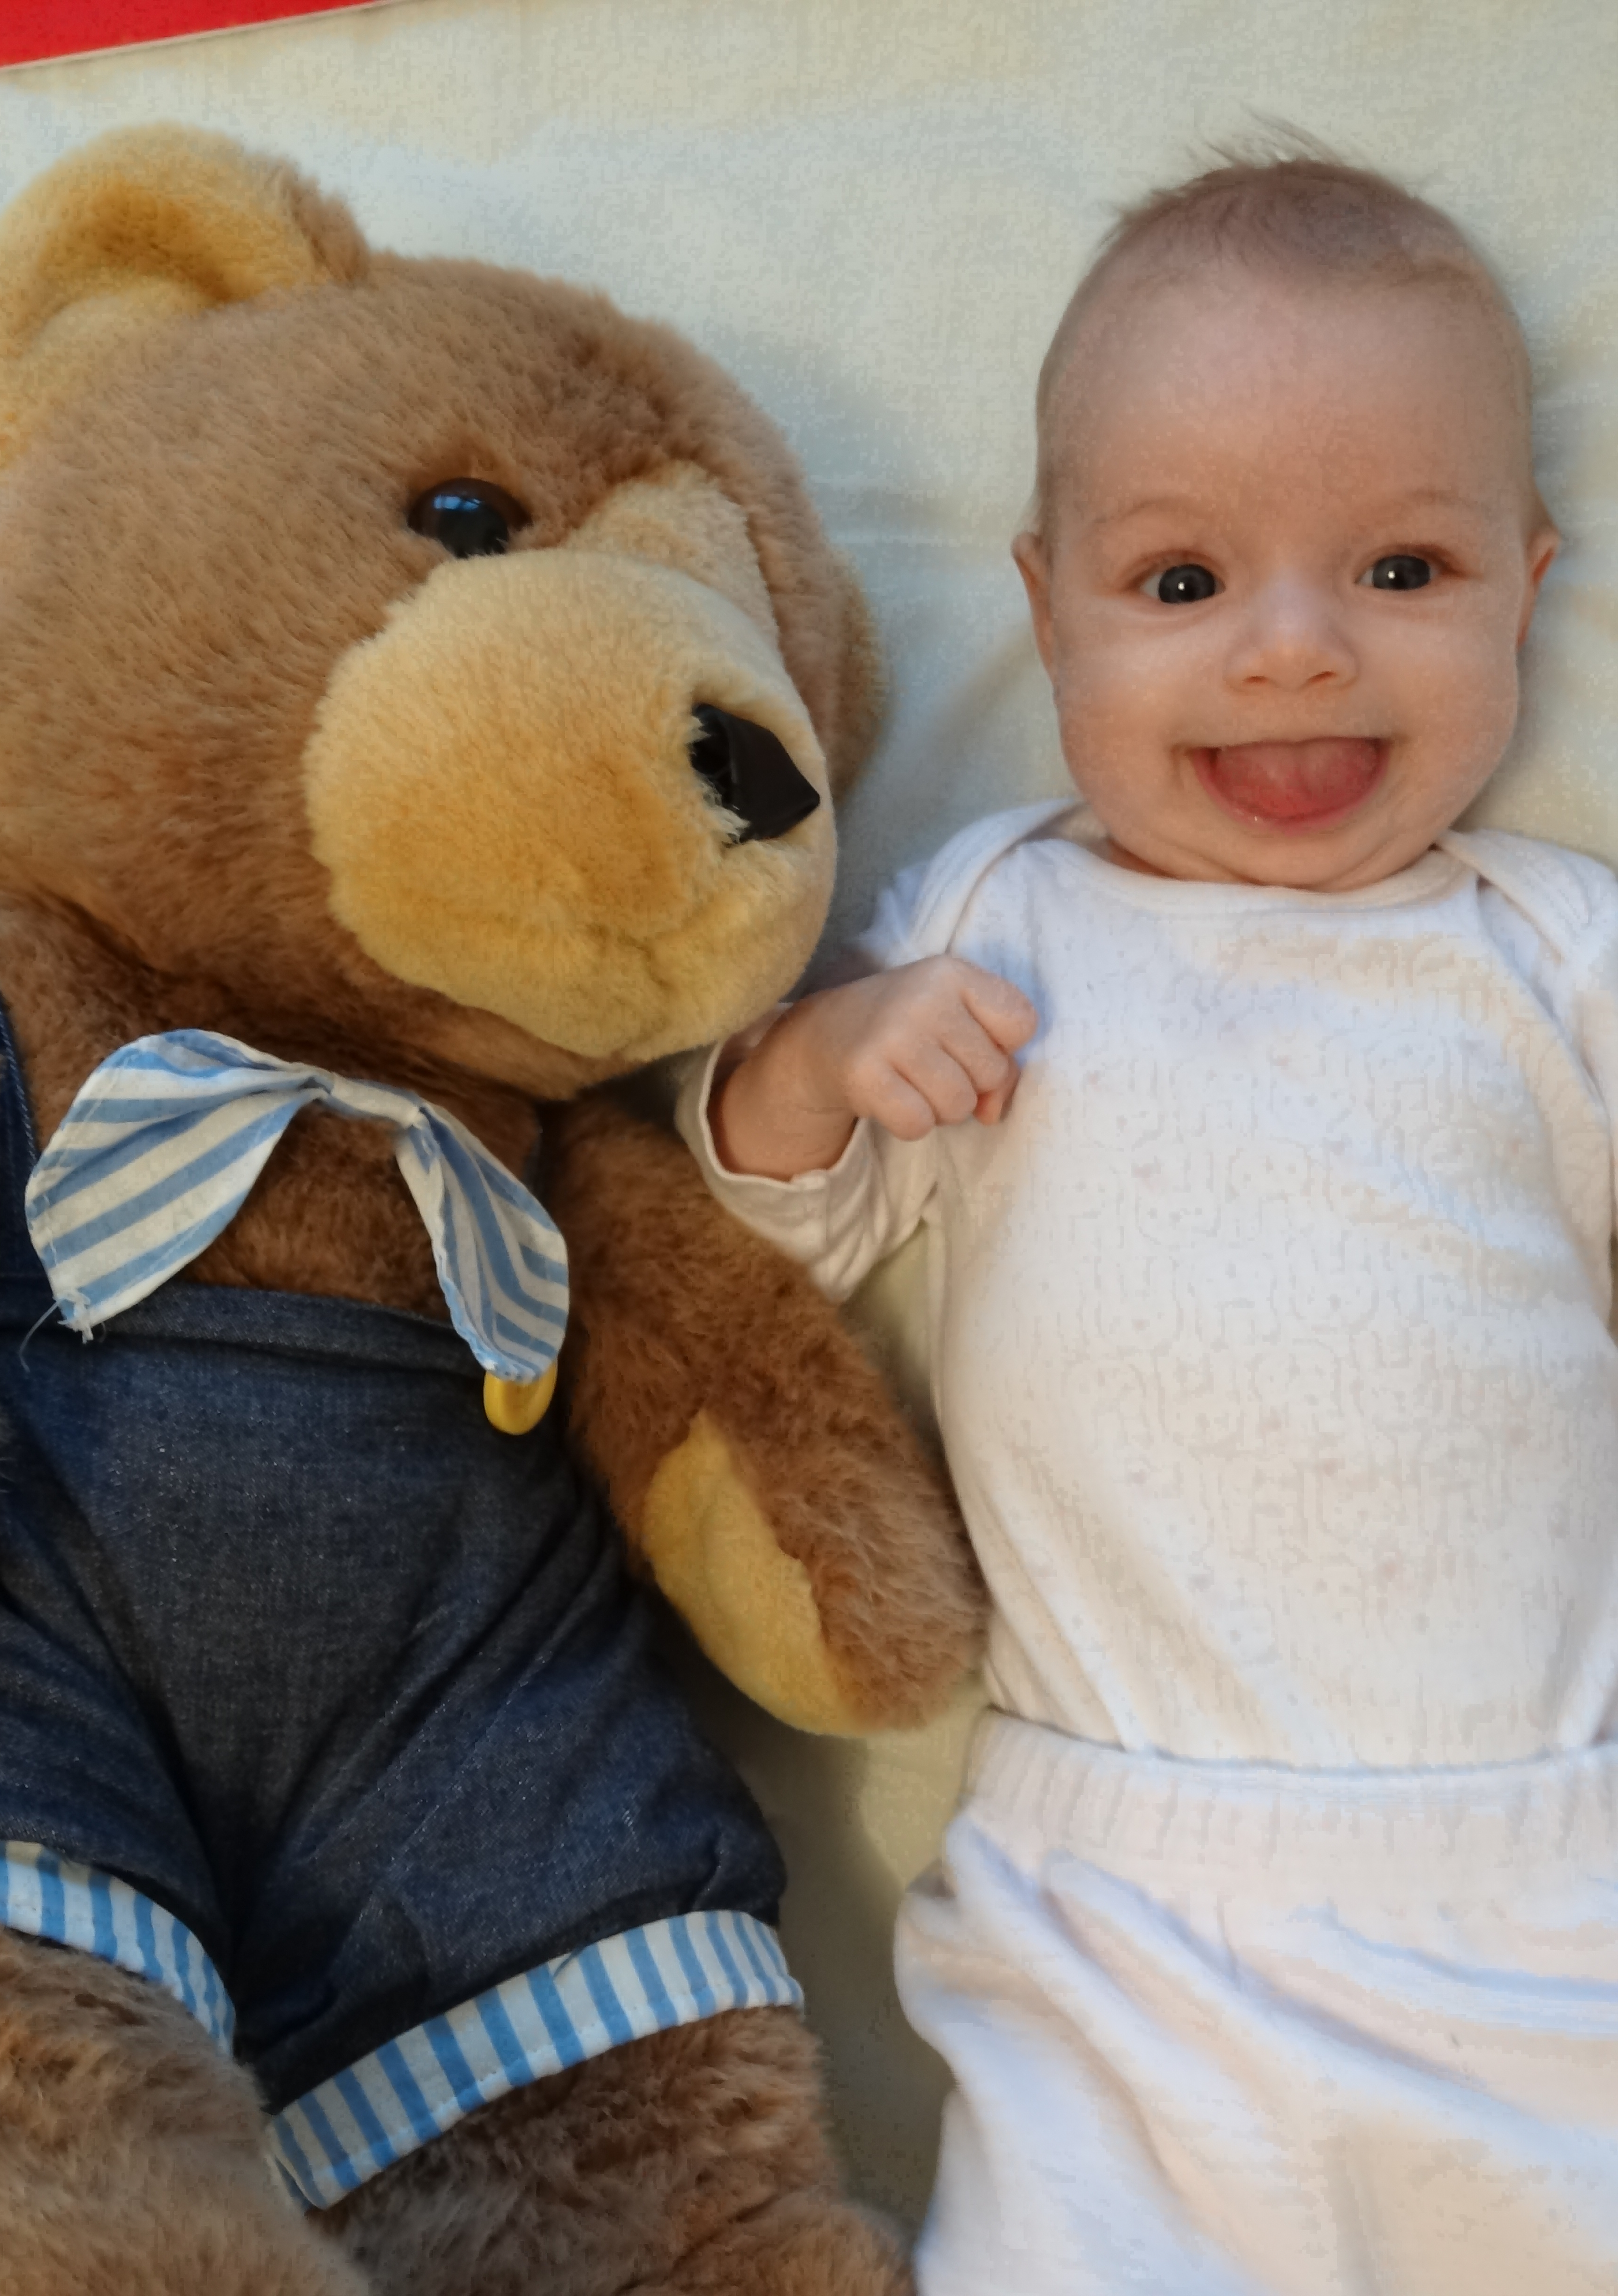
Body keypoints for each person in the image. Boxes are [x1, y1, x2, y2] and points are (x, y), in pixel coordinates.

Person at [674, 146, 1618, 2294]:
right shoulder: (997, 924)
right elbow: (766, 1242)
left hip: (1552, 1879)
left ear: (1529, 583)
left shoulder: (1555, 957)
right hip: (1119, 1910)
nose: (1293, 652)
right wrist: (822, 1063)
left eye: (1402, 569)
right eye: (1184, 582)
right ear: (1048, 611)